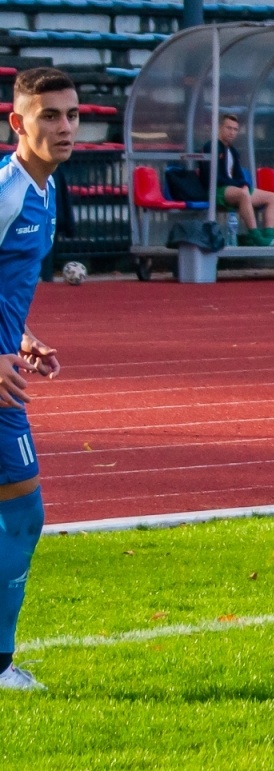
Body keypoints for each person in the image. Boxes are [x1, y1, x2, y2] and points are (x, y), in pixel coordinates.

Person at [0, 67, 75, 692]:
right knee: (22, 514)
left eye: (73, 115)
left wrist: (21, 340)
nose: (66, 126)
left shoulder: (46, 191)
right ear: (17, 123)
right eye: (49, 115)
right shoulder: (7, 191)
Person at [199, 113, 274, 246]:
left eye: (235, 129)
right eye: (228, 128)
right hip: (217, 190)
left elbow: (239, 176)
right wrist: (239, 186)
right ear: (220, 128)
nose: (232, 132)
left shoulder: (233, 151)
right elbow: (213, 178)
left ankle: (269, 236)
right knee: (243, 193)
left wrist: (244, 184)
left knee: (273, 197)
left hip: (233, 189)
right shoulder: (211, 147)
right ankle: (255, 235)